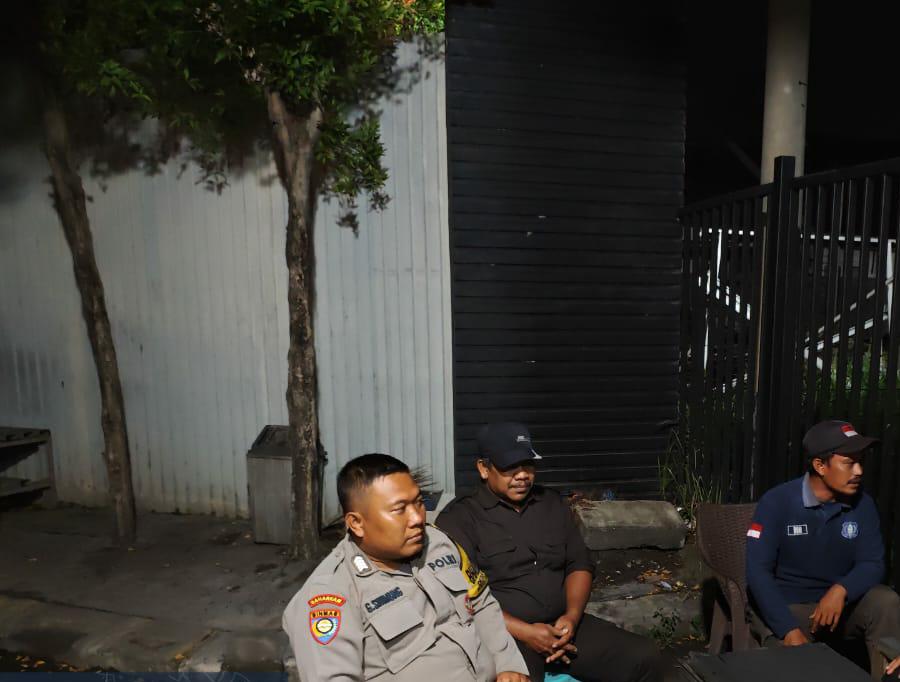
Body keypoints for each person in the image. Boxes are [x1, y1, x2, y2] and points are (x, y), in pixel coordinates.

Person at [437, 422, 662, 682]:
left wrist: (571, 618)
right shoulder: (459, 519)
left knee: (646, 658)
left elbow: (579, 564)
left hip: (563, 628)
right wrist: (527, 633)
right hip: (505, 636)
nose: (522, 475)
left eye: (528, 465)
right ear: (484, 469)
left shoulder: (551, 503)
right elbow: (464, 599)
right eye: (510, 467)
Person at [282, 453, 530, 682]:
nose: (417, 518)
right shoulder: (330, 594)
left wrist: (508, 664)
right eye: (399, 509)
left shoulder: (438, 542)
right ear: (356, 523)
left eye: (419, 503)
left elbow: (481, 602)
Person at [746, 419, 900, 679]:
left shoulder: (863, 504)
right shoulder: (776, 502)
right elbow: (757, 573)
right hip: (790, 608)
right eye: (849, 463)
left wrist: (841, 590)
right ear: (820, 465)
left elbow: (873, 563)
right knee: (795, 667)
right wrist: (788, 629)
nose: (859, 471)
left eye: (861, 461)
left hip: (840, 608)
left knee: (886, 601)